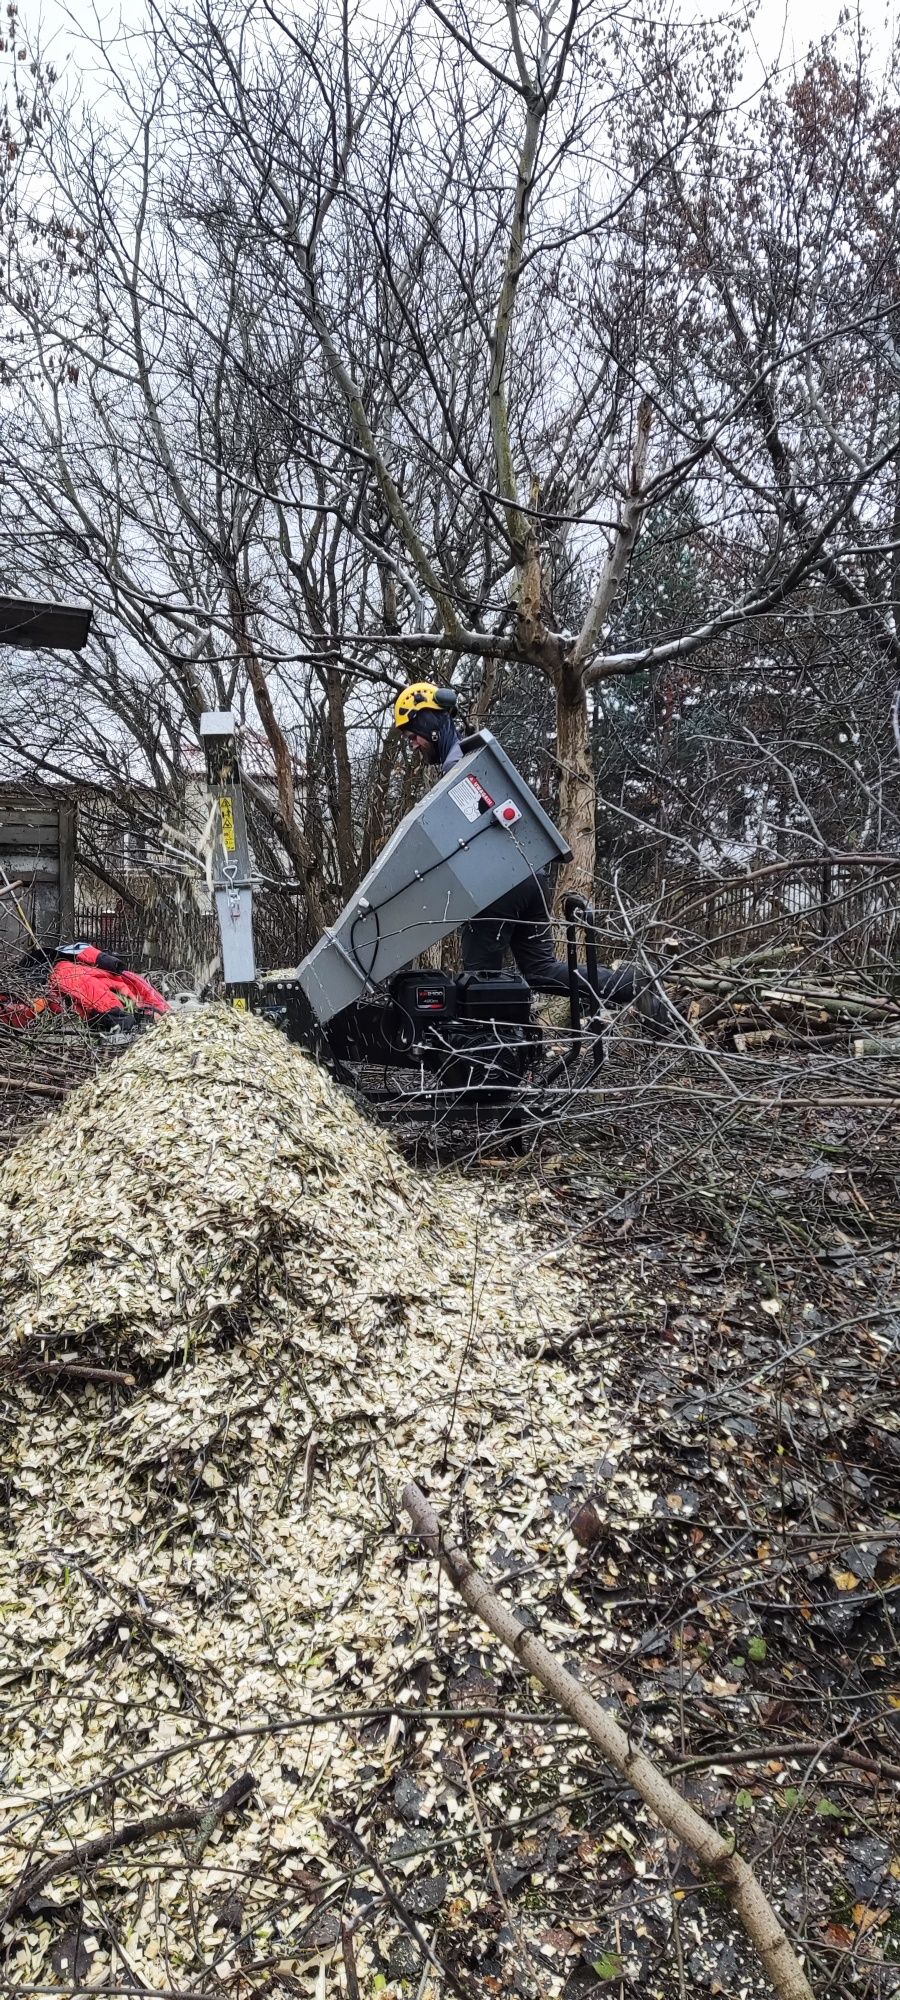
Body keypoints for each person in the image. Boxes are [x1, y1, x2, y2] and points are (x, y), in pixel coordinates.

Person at [392, 681, 614, 1003]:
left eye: (413, 735)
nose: (412, 745)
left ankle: (488, 1051)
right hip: (533, 879)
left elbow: (467, 843)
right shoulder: (475, 759)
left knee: (480, 982)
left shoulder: (460, 771)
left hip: (501, 884)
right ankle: (633, 985)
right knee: (541, 969)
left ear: (430, 724)